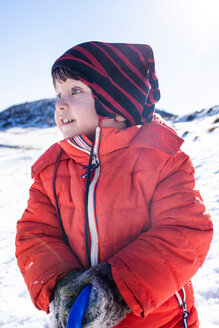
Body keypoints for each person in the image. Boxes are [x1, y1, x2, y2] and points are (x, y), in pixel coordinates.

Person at [15, 41, 213, 328]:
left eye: (76, 91)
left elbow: (185, 231)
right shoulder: (52, 171)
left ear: (114, 101)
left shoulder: (161, 158)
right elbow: (34, 234)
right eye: (58, 94)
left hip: (160, 320)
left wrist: (117, 286)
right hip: (82, 319)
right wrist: (61, 284)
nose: (60, 103)